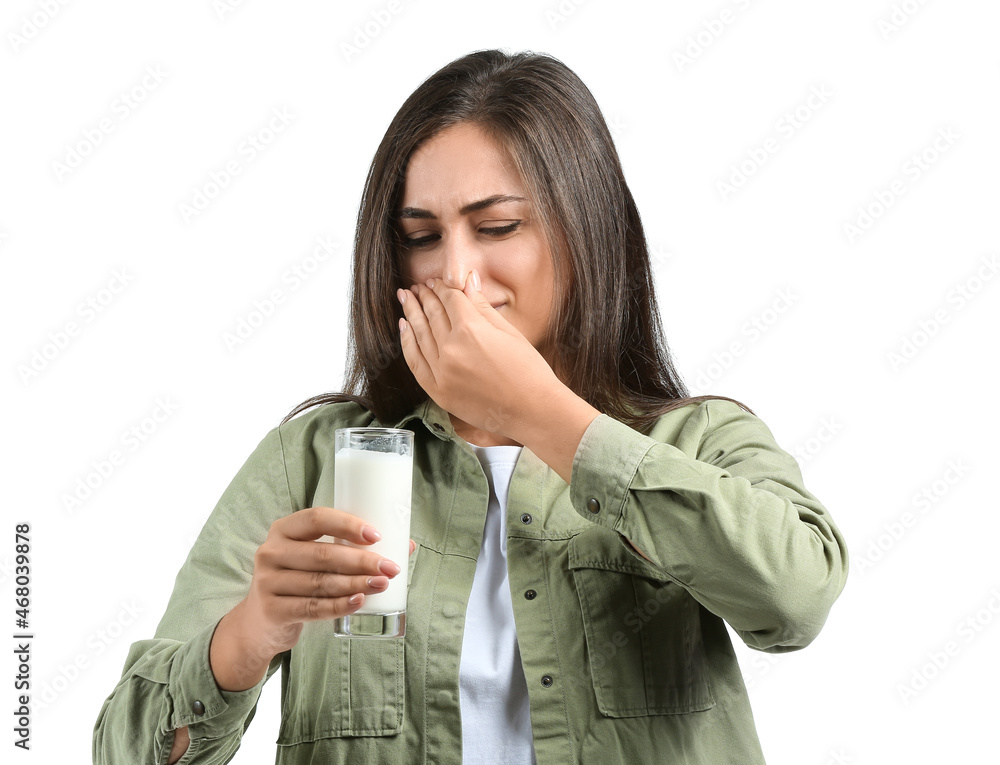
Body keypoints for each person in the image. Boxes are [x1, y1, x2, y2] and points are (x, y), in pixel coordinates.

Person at [93, 48, 849, 765]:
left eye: (498, 227)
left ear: (586, 232)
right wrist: (249, 632)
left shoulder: (698, 438)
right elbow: (123, 751)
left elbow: (796, 600)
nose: (454, 275)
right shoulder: (313, 458)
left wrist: (540, 412)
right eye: (422, 237)